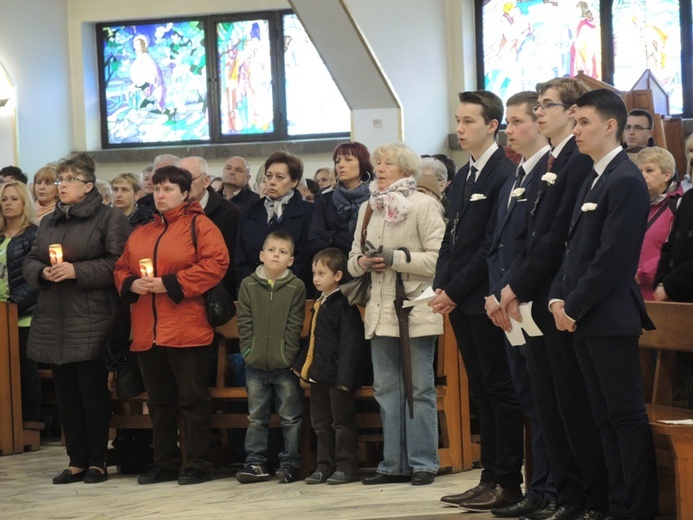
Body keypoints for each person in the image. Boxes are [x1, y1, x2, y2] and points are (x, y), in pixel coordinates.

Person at [499, 77, 609, 519]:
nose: (540, 112)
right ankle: (561, 494)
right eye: (538, 106)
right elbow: (529, 236)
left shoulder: (575, 164)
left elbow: (553, 240)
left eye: (548, 106)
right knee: (546, 403)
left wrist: (514, 287)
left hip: (553, 299)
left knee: (568, 406)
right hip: (535, 299)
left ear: (571, 112)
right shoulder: (552, 162)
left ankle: (581, 497)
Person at [549, 88, 658, 519]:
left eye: (584, 123)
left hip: (609, 319)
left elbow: (612, 258)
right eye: (574, 123)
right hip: (584, 317)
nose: (576, 131)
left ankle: (637, 509)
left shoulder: (626, 180)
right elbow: (573, 248)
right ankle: (615, 506)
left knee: (624, 418)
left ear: (609, 126)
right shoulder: (596, 176)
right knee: (602, 418)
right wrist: (559, 296)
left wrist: (571, 307)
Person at [431, 91, 523, 511]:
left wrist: (454, 289)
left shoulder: (503, 172)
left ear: (492, 125)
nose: (460, 128)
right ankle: (487, 476)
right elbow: (451, 237)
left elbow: (489, 246)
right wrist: (440, 284)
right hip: (459, 299)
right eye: (458, 120)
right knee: (481, 390)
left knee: (499, 389)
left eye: (469, 121)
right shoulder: (466, 175)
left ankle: (506, 478)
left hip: (483, 297)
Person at [114, 165, 229, 486]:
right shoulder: (142, 230)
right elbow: (121, 267)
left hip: (186, 327)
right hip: (147, 330)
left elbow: (216, 264)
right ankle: (164, 462)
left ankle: (198, 463)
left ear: (184, 193)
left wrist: (171, 283)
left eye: (167, 189)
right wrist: (131, 284)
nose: (160, 195)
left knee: (192, 400)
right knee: (160, 402)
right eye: (156, 189)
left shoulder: (200, 225)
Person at [23, 152, 130, 484]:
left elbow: (117, 264)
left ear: (87, 185)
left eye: (68, 180)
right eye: (59, 180)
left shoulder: (110, 218)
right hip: (54, 317)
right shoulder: (50, 221)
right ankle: (76, 461)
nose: (61, 185)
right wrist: (41, 272)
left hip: (92, 317)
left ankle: (97, 460)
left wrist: (75, 270)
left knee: (91, 391)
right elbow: (28, 260)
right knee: (66, 392)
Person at [348, 143, 445, 486]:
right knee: (386, 388)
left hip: (416, 307)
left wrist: (396, 258)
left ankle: (423, 463)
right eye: (379, 162)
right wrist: (362, 263)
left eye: (388, 162)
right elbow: (352, 257)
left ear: (406, 168)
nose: (381, 167)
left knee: (419, 387)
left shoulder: (424, 204)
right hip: (378, 309)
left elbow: (438, 259)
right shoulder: (368, 208)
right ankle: (392, 464)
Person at [483, 91, 556, 518]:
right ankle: (536, 486)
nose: (510, 129)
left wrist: (512, 292)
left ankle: (548, 489)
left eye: (517, 121)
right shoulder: (516, 175)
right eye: (507, 121)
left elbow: (538, 247)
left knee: (544, 402)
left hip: (529, 303)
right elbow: (498, 244)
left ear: (539, 123)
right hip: (508, 306)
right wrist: (496, 295)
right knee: (527, 399)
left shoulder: (549, 172)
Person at [235, 230, 306, 484]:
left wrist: (287, 354)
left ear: (291, 260)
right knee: (256, 417)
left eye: (283, 252)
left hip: (284, 365)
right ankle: (254, 463)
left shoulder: (296, 286)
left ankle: (290, 463)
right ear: (261, 255)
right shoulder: (248, 284)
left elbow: (295, 323)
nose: (277, 255)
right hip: (254, 364)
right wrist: (248, 351)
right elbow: (244, 321)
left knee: (290, 416)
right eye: (272, 250)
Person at [294, 247, 365, 485]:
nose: (315, 278)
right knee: (321, 423)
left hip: (338, 378)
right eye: (314, 273)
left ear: (337, 275)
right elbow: (312, 337)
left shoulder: (345, 305)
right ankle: (324, 465)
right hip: (319, 375)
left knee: (341, 423)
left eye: (321, 273)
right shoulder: (318, 304)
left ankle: (346, 466)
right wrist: (302, 365)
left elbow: (350, 344)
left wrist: (345, 379)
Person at [235, 151, 314, 289]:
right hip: (255, 289)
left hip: (293, 289)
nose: (272, 182)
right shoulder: (250, 213)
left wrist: (282, 283)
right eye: (269, 176)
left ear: (294, 182)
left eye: (280, 177)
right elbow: (241, 257)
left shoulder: (309, 212)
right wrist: (254, 284)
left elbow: (305, 257)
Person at [0, 180, 41, 422]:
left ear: (25, 202)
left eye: (14, 199)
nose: (8, 203)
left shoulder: (33, 235)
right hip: (0, 314)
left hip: (23, 314)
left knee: (25, 371)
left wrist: (12, 305)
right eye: (5, 199)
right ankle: (6, 423)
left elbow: (36, 278)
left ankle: (30, 423)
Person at [178, 156, 240, 295]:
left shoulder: (229, 212)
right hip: (178, 290)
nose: (183, 185)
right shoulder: (170, 211)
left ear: (206, 181)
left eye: (189, 179)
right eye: (179, 180)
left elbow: (230, 263)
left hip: (214, 293)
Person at [308, 142, 372, 259]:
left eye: (348, 159)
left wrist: (332, 235)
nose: (341, 165)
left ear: (363, 165)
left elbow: (370, 245)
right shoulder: (325, 200)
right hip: (332, 267)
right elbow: (314, 241)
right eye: (338, 161)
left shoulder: (374, 199)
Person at [635, 147, 682, 301]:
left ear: (666, 175)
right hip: (634, 290)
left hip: (660, 291)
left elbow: (678, 249)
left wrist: (641, 274)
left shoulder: (679, 205)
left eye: (649, 170)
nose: (643, 175)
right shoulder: (637, 204)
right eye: (639, 170)